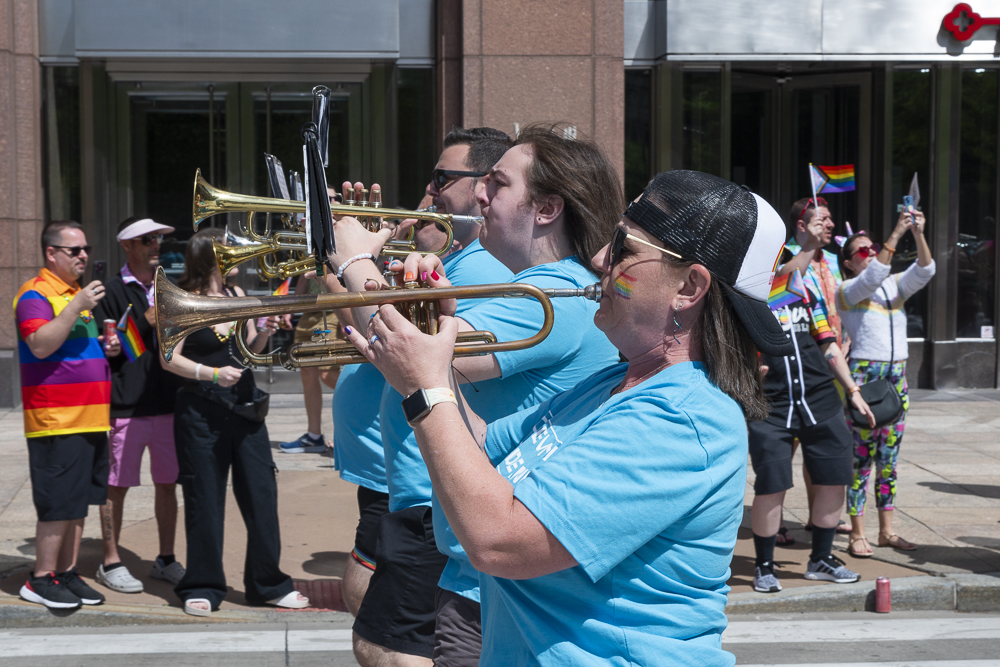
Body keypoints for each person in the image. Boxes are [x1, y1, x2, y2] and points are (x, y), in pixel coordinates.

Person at [345, 170, 794, 665]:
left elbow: (499, 542)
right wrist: (434, 338)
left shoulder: (682, 419)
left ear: (689, 286)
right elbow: (481, 447)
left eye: (623, 246)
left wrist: (423, 387)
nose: (601, 257)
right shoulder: (610, 386)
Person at [331, 127, 515, 662]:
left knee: (388, 648)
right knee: (384, 639)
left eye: (441, 179)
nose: (428, 192)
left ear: (485, 187)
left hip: (432, 490)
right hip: (414, 484)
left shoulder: (483, 268)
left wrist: (350, 261)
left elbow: (405, 349)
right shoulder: (456, 262)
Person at [160, 227, 307, 616]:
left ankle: (267, 584)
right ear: (213, 258)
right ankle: (204, 584)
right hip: (200, 411)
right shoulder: (182, 300)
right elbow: (167, 358)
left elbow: (248, 352)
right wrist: (209, 374)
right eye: (232, 252)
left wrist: (263, 332)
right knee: (204, 499)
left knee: (261, 495)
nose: (241, 258)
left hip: (244, 407)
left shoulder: (237, 296)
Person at [748, 245, 876, 594]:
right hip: (770, 406)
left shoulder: (805, 297)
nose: (788, 266)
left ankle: (821, 559)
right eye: (779, 260)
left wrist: (852, 391)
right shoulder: (747, 301)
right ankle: (764, 566)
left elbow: (829, 345)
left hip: (820, 399)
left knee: (835, 477)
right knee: (772, 483)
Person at [15, 220, 121, 609]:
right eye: (74, 250)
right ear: (51, 254)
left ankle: (67, 573)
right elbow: (40, 345)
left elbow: (71, 347)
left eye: (86, 250)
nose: (83, 256)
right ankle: (41, 578)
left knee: (79, 503)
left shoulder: (76, 294)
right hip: (56, 420)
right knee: (58, 502)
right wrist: (76, 306)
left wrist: (104, 348)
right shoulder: (35, 294)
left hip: (90, 418)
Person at [93, 216, 185, 594]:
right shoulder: (108, 292)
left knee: (168, 485)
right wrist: (147, 320)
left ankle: (165, 558)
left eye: (159, 239)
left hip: (167, 403)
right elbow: (112, 353)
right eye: (147, 239)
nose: (156, 245)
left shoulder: (169, 287)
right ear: (127, 246)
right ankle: (110, 561)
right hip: (125, 406)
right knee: (117, 487)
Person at [837, 208, 935, 557]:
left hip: (897, 377)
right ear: (848, 263)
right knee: (860, 460)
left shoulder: (893, 286)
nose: (871, 253)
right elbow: (874, 273)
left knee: (889, 461)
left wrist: (919, 234)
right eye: (862, 251)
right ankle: (857, 532)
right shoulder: (848, 289)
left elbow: (925, 270)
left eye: (872, 246)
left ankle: (886, 531)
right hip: (866, 376)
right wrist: (896, 233)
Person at [777, 196, 851, 540]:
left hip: (830, 353)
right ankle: (773, 521)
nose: (830, 224)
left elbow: (841, 302)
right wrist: (807, 247)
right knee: (784, 444)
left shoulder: (834, 260)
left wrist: (842, 341)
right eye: (822, 219)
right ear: (802, 226)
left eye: (831, 219)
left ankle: (818, 515)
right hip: (795, 358)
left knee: (821, 441)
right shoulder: (786, 255)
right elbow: (784, 291)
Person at [280, 187, 354, 454]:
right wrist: (290, 306)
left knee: (328, 372)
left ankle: (346, 430)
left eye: (332, 198)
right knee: (308, 371)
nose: (329, 201)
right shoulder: (311, 232)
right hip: (312, 308)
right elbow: (304, 272)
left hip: (336, 308)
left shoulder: (347, 231)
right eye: (325, 198)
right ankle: (314, 435)